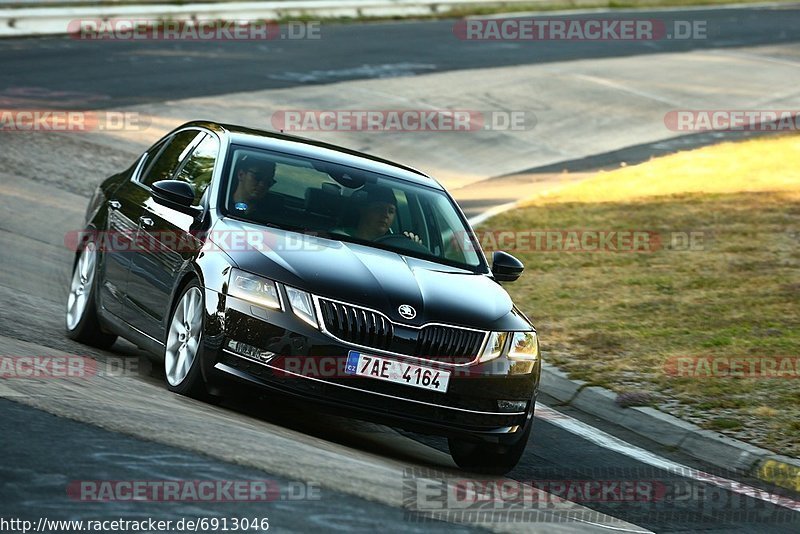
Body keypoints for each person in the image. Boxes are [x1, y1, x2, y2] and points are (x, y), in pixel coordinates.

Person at [338, 185, 423, 244]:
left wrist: (412, 245)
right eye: (379, 209)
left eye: (391, 211)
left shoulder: (397, 244)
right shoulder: (339, 238)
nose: (386, 215)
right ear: (363, 210)